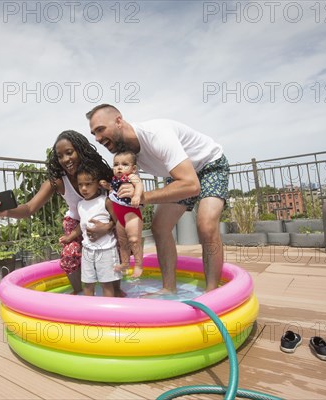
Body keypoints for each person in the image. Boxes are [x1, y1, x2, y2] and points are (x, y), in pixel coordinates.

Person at [86, 104, 229, 293]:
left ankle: (212, 293)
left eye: (100, 129)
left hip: (210, 165)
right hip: (180, 174)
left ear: (119, 121)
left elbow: (191, 186)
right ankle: (169, 288)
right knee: (160, 227)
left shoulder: (156, 135)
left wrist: (143, 197)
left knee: (206, 225)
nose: (97, 138)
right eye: (93, 133)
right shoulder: (127, 154)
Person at [0, 130, 117, 295]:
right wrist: (6, 212)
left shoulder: (98, 173)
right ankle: (79, 293)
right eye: (60, 156)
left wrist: (108, 227)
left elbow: (120, 205)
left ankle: (116, 290)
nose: (65, 160)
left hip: (105, 222)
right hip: (77, 224)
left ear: (81, 150)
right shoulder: (58, 181)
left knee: (117, 245)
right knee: (69, 252)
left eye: (69, 153)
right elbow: (29, 208)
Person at [74, 163, 122, 296]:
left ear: (98, 184)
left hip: (106, 249)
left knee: (107, 283)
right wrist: (71, 235)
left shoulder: (105, 201)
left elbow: (117, 220)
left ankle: (110, 314)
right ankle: (88, 313)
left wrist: (106, 228)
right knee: (88, 283)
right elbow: (81, 224)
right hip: (88, 251)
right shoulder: (80, 204)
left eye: (88, 184)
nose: (84, 188)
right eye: (80, 184)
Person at [107, 150, 144, 278]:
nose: (119, 167)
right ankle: (125, 263)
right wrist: (107, 186)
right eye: (116, 164)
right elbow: (114, 192)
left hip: (131, 215)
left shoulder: (132, 177)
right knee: (123, 242)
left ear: (133, 169)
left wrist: (137, 195)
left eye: (124, 164)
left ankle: (139, 265)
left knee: (134, 240)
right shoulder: (115, 180)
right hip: (120, 218)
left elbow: (139, 185)